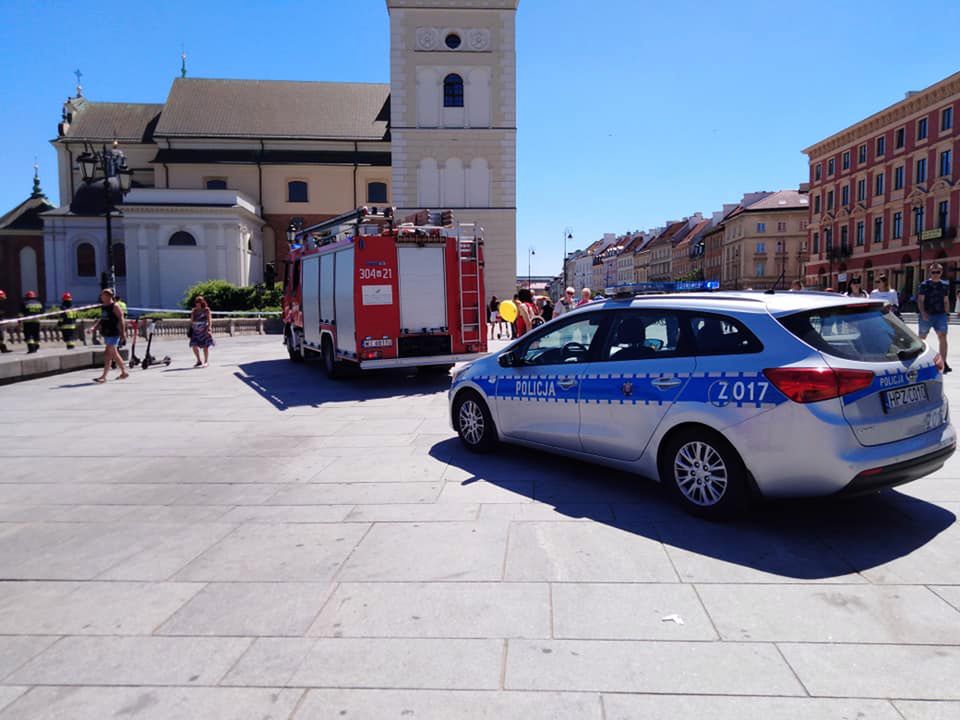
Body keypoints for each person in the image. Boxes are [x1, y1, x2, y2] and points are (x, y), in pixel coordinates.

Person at [917, 262, 952, 373]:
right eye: (933, 272)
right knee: (922, 338)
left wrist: (947, 313)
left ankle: (943, 363)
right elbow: (920, 300)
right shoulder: (924, 285)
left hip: (940, 315)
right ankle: (918, 362)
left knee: (942, 337)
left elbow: (946, 301)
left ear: (941, 273)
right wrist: (923, 312)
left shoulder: (945, 285)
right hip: (927, 315)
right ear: (930, 273)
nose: (935, 274)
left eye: (938, 272)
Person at [90, 288, 128, 383]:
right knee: (110, 353)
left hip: (114, 332)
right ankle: (122, 372)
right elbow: (102, 318)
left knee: (111, 353)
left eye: (103, 295)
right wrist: (94, 327)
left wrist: (123, 333)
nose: (101, 297)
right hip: (107, 332)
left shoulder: (115, 306)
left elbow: (121, 319)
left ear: (108, 296)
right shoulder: (104, 306)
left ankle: (106, 376)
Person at [189, 295, 215, 367]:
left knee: (205, 346)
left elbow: (209, 320)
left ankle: (206, 361)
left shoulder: (206, 310)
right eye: (196, 302)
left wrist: (209, 328)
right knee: (194, 345)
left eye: (199, 302)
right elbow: (191, 321)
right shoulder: (194, 310)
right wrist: (191, 327)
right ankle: (198, 360)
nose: (197, 303)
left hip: (204, 330)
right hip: (195, 330)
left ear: (202, 302)